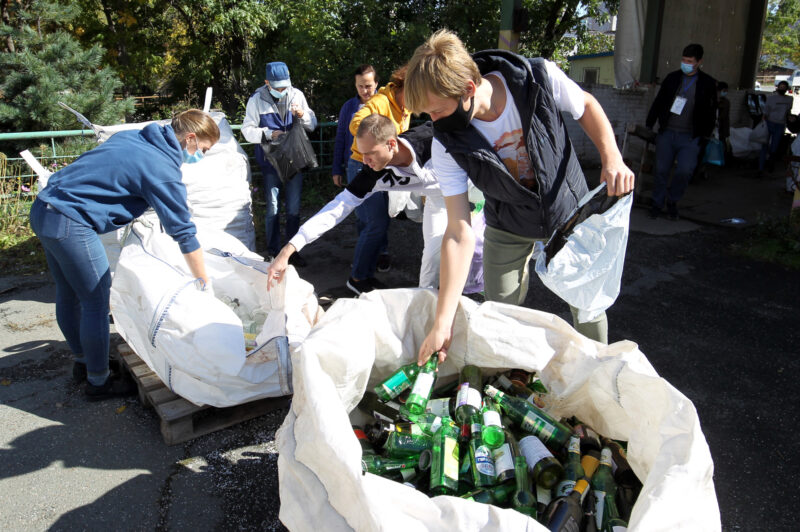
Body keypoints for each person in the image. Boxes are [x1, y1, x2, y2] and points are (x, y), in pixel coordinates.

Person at [404, 30, 634, 364]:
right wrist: (443, 320)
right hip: (507, 222)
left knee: (588, 306)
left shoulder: (538, 77)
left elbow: (585, 105)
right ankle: (509, 377)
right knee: (498, 309)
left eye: (436, 111)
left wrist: (612, 157)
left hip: (567, 212)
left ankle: (600, 371)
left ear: (468, 89)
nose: (433, 121)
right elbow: (458, 231)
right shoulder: (445, 144)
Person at [29, 109, 218, 400]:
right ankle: (99, 382)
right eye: (202, 150)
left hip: (45, 209)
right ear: (190, 138)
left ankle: (83, 362)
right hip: (71, 222)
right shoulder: (160, 167)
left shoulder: (136, 138)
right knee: (96, 301)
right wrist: (203, 281)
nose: (200, 156)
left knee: (68, 293)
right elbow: (184, 231)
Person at [267, 115, 449, 292]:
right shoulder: (373, 173)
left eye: (370, 153)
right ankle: (430, 312)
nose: (365, 161)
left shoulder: (433, 141)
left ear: (391, 144)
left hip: (469, 192)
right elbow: (337, 208)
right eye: (362, 154)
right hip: (438, 201)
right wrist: (288, 250)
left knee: (467, 254)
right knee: (431, 261)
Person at [344, 65, 411, 294]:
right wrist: (378, 137)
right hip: (362, 164)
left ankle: (366, 273)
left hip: (383, 168)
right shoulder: (381, 102)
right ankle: (357, 278)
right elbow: (356, 124)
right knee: (375, 223)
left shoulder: (405, 106)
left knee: (378, 223)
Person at [241, 61, 317, 263]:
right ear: (267, 82)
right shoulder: (256, 100)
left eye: (285, 86)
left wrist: (302, 115)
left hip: (294, 159)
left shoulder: (296, 94)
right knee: (273, 208)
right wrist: (267, 133)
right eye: (278, 87)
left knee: (293, 208)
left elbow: (312, 123)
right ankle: (274, 251)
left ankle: (292, 252)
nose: (282, 91)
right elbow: (247, 130)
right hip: (270, 162)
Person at [646, 43, 717, 220]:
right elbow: (659, 101)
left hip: (691, 136)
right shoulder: (672, 78)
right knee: (661, 170)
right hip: (668, 133)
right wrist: (650, 123)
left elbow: (711, 110)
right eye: (684, 60)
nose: (685, 63)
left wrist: (705, 135)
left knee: (684, 171)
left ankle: (672, 201)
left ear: (699, 62)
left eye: (690, 61)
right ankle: (657, 203)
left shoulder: (707, 83)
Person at [332, 65, 378, 188]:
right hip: (354, 165)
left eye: (368, 86)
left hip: (380, 165)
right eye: (360, 86)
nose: (364, 91)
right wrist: (337, 170)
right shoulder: (348, 106)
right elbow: (340, 138)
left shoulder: (384, 104)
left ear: (376, 84)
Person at [759, 80, 793, 174]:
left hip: (780, 124)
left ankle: (770, 164)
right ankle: (761, 168)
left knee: (774, 147)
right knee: (764, 146)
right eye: (781, 86)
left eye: (784, 87)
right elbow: (765, 111)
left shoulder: (789, 99)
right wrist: (763, 123)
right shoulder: (771, 98)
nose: (782, 88)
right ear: (777, 87)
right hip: (769, 123)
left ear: (787, 88)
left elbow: (788, 112)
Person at [717, 81, 730, 148]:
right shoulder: (712, 100)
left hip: (722, 129)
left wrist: (727, 133)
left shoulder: (726, 102)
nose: (725, 92)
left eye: (726, 91)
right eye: (724, 90)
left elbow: (726, 118)